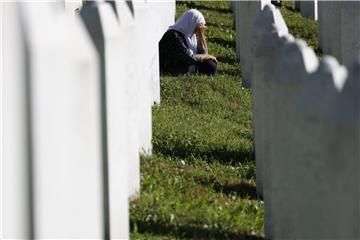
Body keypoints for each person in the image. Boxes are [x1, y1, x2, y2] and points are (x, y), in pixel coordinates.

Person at [159, 9, 218, 76]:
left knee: (209, 63)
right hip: (170, 67)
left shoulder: (189, 35)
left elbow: (203, 53)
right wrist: (207, 56)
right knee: (209, 65)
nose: (199, 29)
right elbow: (189, 58)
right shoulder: (173, 35)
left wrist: (201, 35)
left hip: (185, 62)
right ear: (192, 22)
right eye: (199, 26)